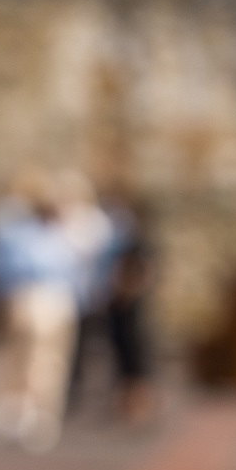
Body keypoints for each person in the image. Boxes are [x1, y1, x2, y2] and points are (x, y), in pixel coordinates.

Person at [0, 174, 80, 453]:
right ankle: (17, 413)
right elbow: (4, 271)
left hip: (53, 301)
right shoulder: (23, 235)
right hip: (31, 298)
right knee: (22, 360)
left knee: (49, 363)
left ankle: (39, 414)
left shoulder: (62, 236)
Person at [55, 170, 117, 417]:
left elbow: (100, 256)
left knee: (84, 345)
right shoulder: (59, 219)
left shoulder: (94, 221)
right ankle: (63, 390)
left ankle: (77, 389)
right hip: (64, 291)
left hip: (87, 292)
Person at [104, 196, 159, 425]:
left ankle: (139, 404)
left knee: (136, 355)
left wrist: (129, 290)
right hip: (120, 307)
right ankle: (128, 402)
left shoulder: (138, 244)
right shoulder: (120, 242)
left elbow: (145, 272)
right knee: (122, 353)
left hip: (131, 307)